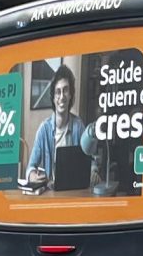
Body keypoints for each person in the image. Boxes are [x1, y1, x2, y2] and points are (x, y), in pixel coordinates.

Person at [18, 63, 90, 193]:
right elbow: (30, 168)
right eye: (58, 92)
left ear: (70, 95)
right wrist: (32, 175)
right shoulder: (43, 130)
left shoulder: (78, 126)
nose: (62, 96)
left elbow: (91, 159)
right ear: (53, 97)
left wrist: (94, 170)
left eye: (65, 90)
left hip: (73, 194)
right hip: (50, 195)